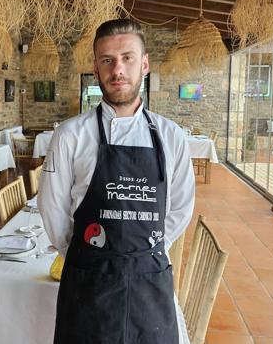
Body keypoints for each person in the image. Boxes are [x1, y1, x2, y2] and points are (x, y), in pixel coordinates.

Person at [38, 19, 195, 344]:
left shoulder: (171, 136)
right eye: (107, 60)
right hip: (88, 284)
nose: (117, 69)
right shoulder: (70, 135)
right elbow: (52, 209)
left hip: (149, 282)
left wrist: (147, 253)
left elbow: (180, 207)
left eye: (127, 57)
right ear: (96, 68)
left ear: (145, 64)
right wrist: (86, 258)